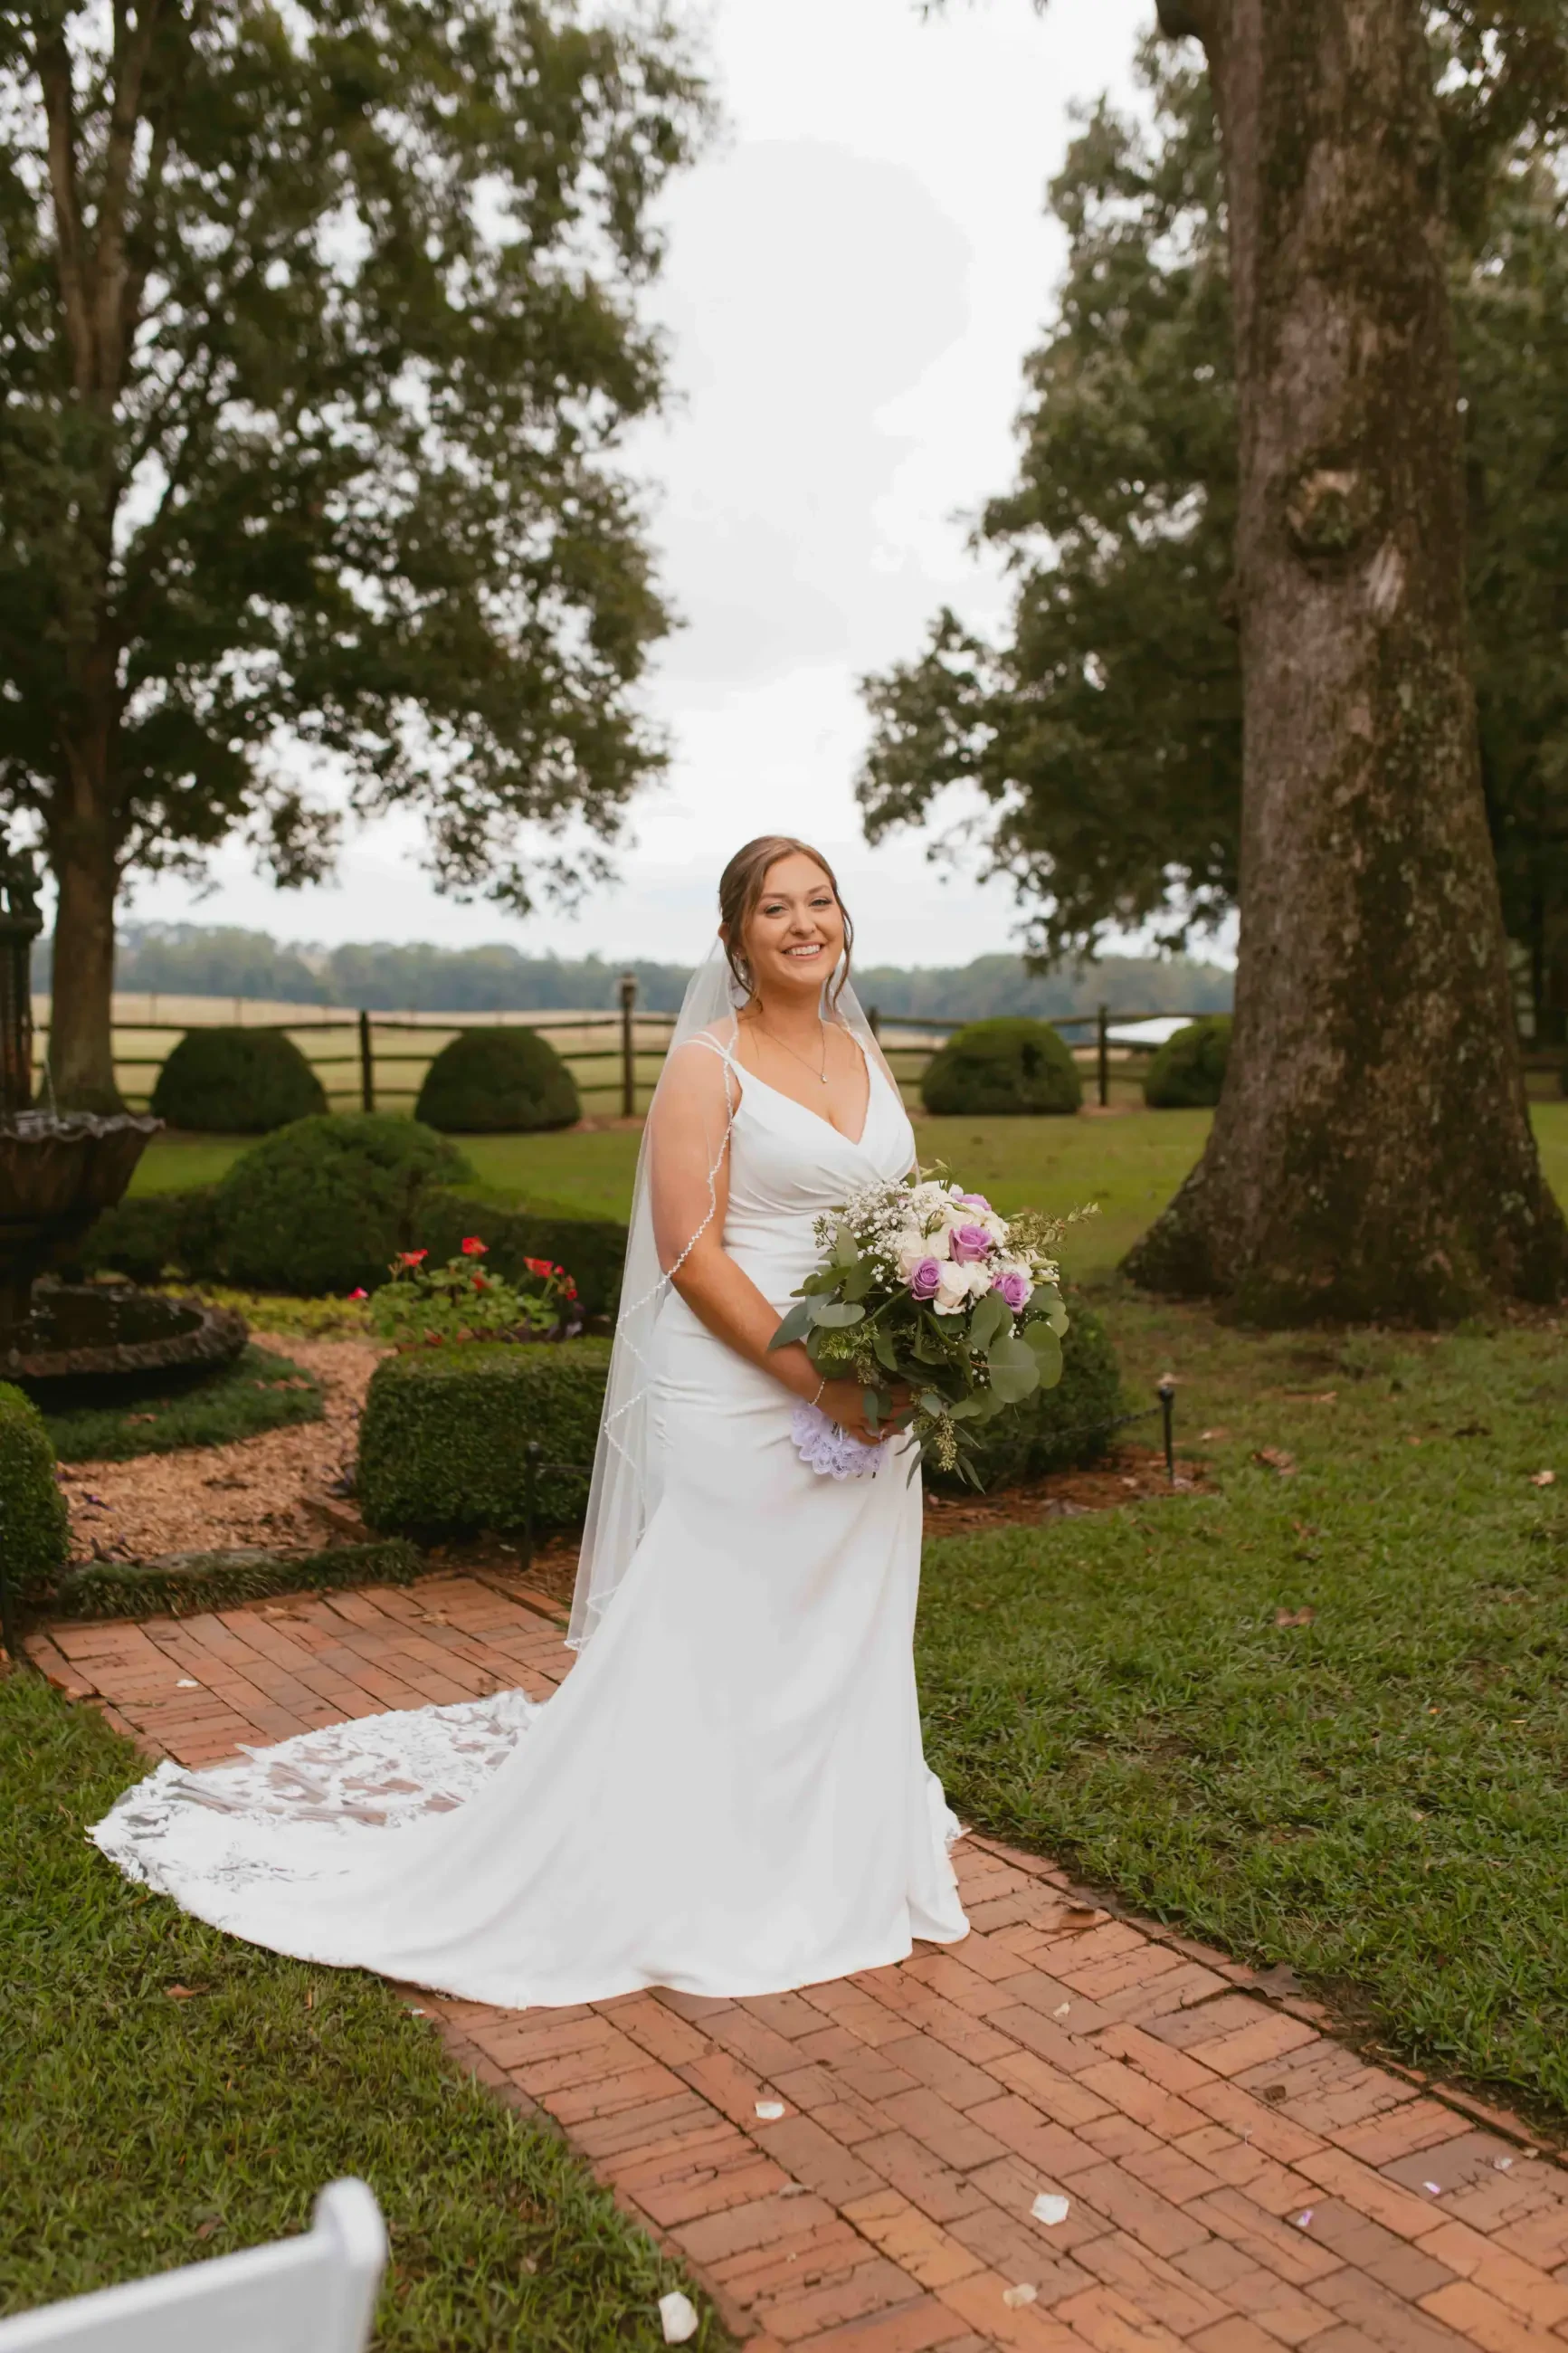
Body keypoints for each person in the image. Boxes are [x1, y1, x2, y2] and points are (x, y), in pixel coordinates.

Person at [90, 835, 971, 2006]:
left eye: (821, 902)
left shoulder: (864, 1052)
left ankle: (829, 1862)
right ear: (734, 938)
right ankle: (701, 1878)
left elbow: (892, 1214)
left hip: (878, 1396)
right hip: (754, 1391)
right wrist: (822, 1381)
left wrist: (932, 1318)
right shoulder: (712, 1066)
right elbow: (688, 1254)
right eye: (775, 907)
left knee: (847, 1636)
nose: (804, 922)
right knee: (718, 1639)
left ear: (844, 922)